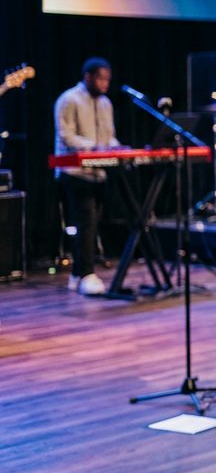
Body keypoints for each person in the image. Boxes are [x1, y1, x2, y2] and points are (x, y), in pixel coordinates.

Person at [54, 57, 121, 296]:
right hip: (73, 172)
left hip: (98, 172)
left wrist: (117, 148)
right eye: (101, 78)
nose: (105, 84)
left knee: (93, 224)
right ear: (88, 77)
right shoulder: (68, 99)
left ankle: (76, 274)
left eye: (108, 80)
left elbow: (109, 136)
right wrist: (94, 147)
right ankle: (86, 274)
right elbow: (66, 136)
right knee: (86, 223)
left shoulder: (105, 103)